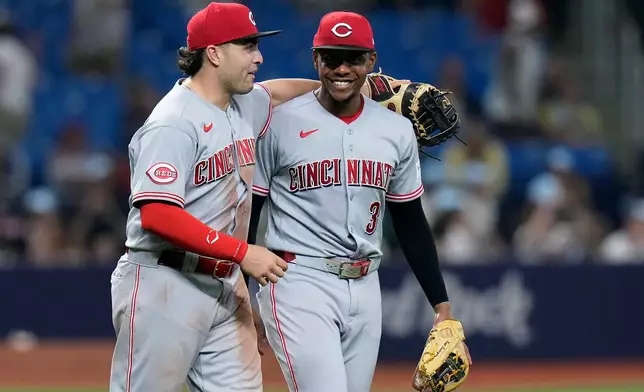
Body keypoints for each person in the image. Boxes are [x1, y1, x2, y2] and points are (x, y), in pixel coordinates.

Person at [109, 3, 348, 391]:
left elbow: (280, 93)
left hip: (223, 284)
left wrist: (359, 89)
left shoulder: (241, 102)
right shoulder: (173, 123)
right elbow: (157, 215)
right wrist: (242, 253)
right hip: (165, 284)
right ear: (215, 53)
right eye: (248, 46)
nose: (259, 56)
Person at [248, 11, 471, 392]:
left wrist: (442, 307)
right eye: (331, 57)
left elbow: (410, 221)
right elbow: (250, 214)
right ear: (315, 59)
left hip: (367, 285)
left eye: (353, 57)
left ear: (371, 61)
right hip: (298, 281)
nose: (342, 68)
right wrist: (243, 295)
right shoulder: (279, 123)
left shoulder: (396, 130)